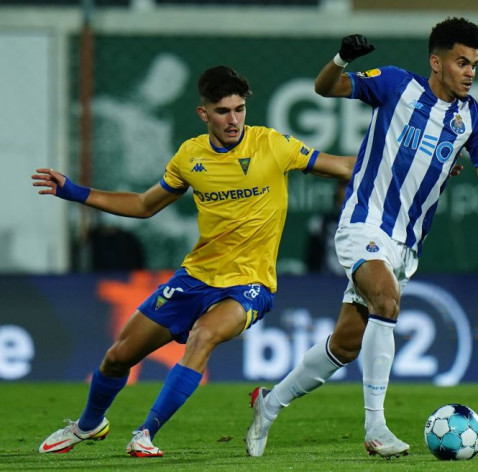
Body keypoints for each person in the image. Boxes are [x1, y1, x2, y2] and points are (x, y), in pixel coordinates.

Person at [33, 65, 354, 458]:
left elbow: (346, 166)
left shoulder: (273, 145)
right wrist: (76, 192)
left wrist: (422, 170)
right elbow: (143, 205)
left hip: (249, 284)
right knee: (118, 356)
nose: (234, 119)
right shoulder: (190, 156)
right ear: (204, 114)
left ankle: (146, 432)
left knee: (204, 336)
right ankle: (88, 425)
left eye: (239, 109)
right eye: (223, 111)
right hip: (196, 277)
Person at [245, 17, 478, 459]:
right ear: (436, 62)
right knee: (386, 302)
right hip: (363, 222)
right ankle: (376, 427)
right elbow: (325, 88)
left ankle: (268, 405)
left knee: (346, 343)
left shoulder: (473, 119)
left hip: (406, 245)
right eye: (461, 62)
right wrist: (341, 58)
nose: (470, 72)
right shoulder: (393, 85)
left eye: (475, 64)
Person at [304, 180, 347, 275]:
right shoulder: (320, 223)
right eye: (343, 186)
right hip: (326, 282)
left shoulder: (367, 226)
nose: (347, 192)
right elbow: (312, 262)